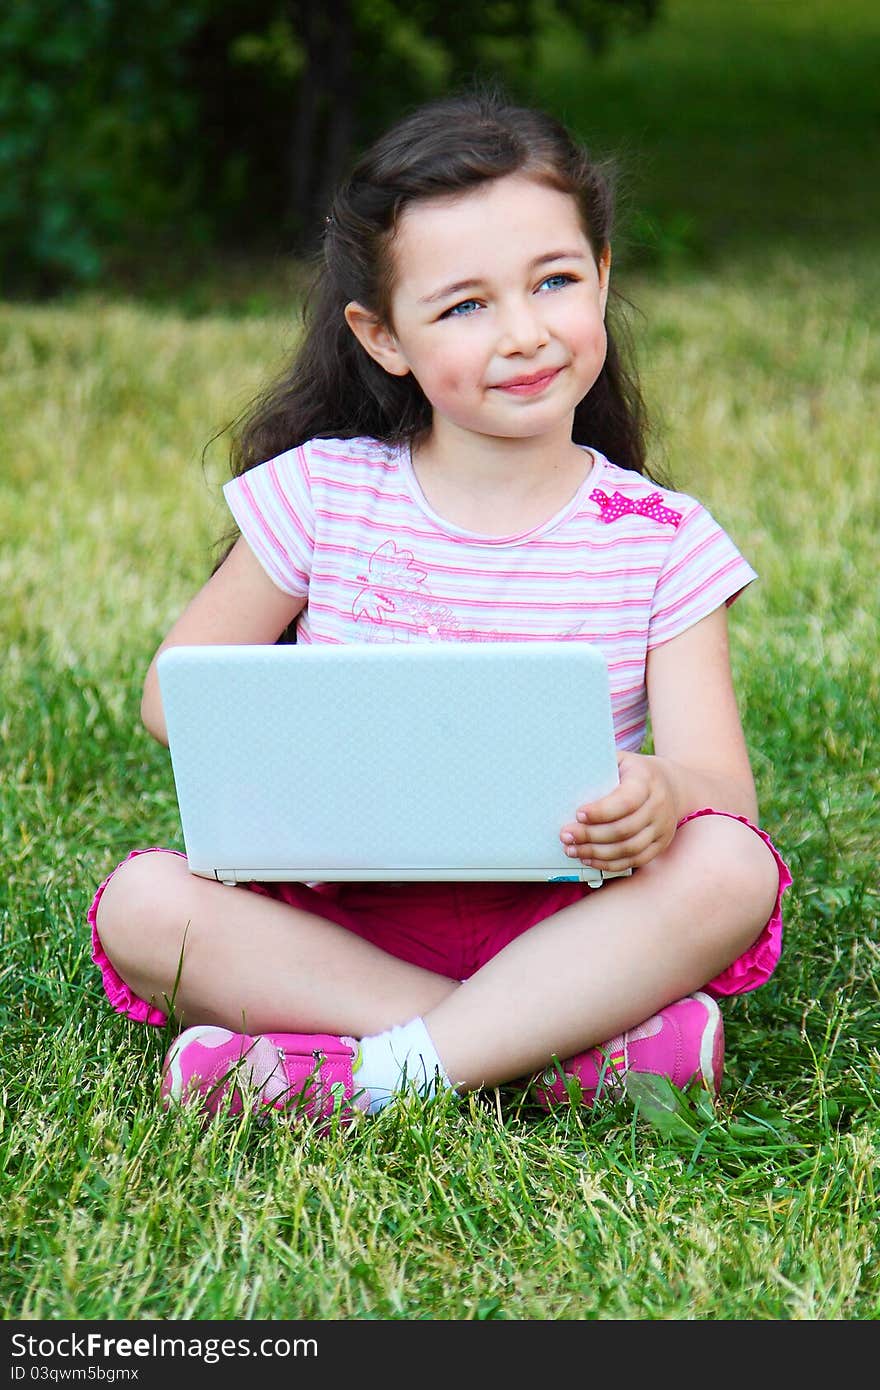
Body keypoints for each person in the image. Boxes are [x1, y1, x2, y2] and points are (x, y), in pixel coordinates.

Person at [90, 90, 791, 1127]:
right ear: (382, 338)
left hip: (574, 921)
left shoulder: (659, 538)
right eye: (463, 305)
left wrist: (656, 791)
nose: (522, 333)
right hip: (343, 923)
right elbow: (169, 695)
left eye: (553, 281)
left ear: (601, 277)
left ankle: (359, 1074)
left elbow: (719, 786)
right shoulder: (323, 495)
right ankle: (555, 1057)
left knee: (731, 866)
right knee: (142, 904)